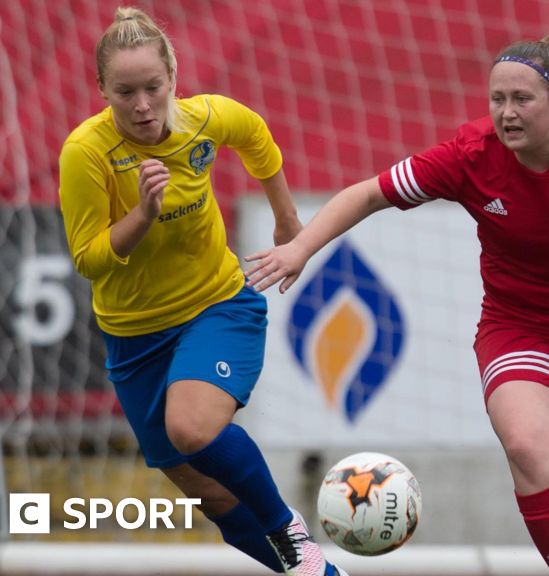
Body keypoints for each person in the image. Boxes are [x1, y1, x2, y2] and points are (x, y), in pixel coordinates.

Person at [245, 17, 549, 576]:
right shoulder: (469, 154)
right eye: (497, 98)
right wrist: (302, 248)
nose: (506, 112)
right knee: (528, 449)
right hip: (519, 325)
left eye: (521, 99)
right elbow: (368, 195)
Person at [57, 7, 347, 576]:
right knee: (208, 495)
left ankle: (289, 530)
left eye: (152, 88)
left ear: (173, 78)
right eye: (125, 92)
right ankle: (319, 573)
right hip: (133, 337)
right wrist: (142, 213)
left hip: (217, 305)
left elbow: (256, 136)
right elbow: (88, 260)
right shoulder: (85, 153)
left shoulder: (206, 118)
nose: (142, 105)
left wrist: (288, 222)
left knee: (190, 429)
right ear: (101, 90)